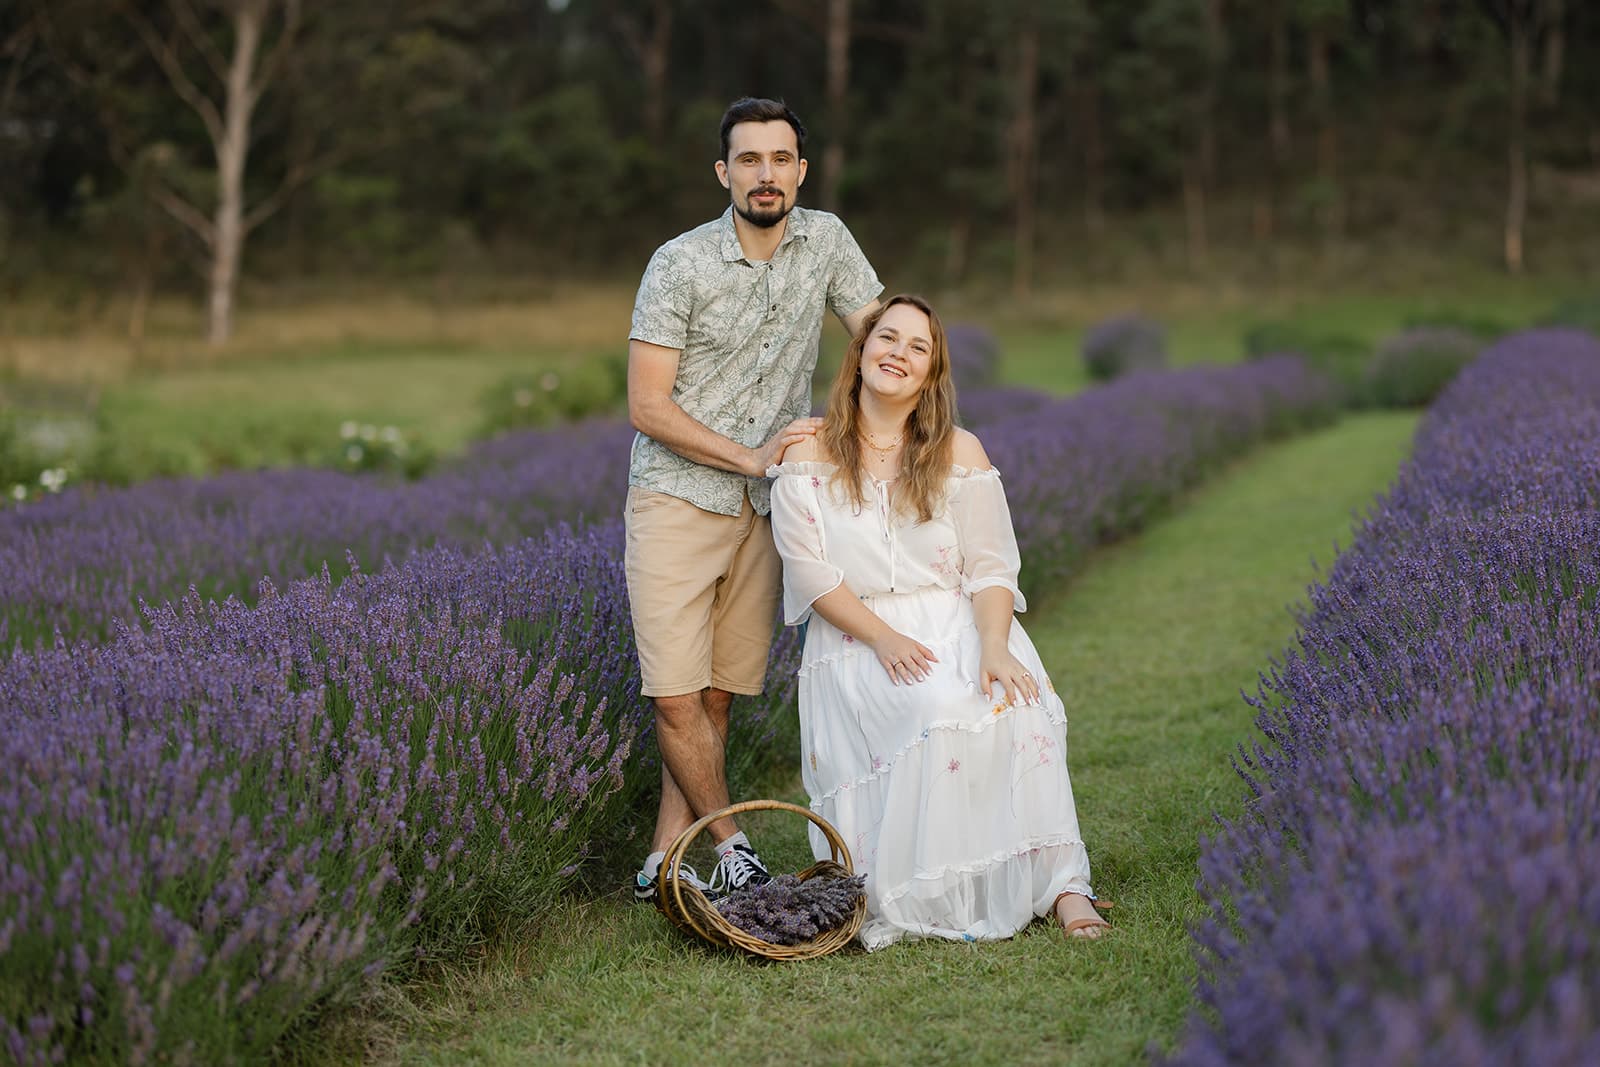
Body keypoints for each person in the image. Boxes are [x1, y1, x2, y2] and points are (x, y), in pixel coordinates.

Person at [767, 294, 1111, 947]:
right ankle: (940, 885)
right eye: (886, 337)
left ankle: (1065, 883)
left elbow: (990, 567)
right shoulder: (809, 450)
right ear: (861, 352)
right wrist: (884, 636)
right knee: (937, 705)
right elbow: (809, 574)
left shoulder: (961, 451)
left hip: (958, 620)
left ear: (931, 373)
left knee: (1018, 699)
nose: (898, 352)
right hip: (856, 634)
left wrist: (994, 644)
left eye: (917, 346)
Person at [625, 97, 883, 903]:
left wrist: (869, 434)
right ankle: (733, 844)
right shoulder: (679, 263)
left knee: (716, 695)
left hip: (771, 510)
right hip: (677, 498)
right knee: (674, 694)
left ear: (800, 171)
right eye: (749, 160)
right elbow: (648, 406)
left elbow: (880, 335)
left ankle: (666, 859)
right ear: (723, 172)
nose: (765, 174)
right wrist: (753, 455)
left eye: (780, 159)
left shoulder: (827, 239)